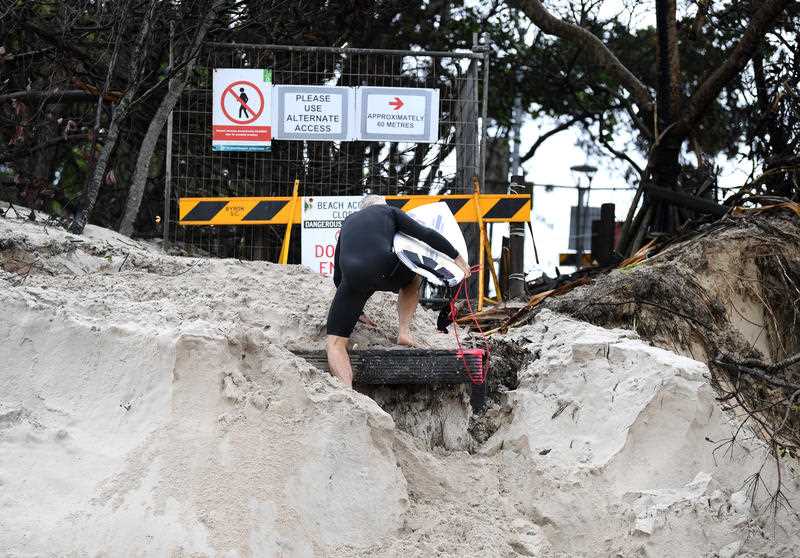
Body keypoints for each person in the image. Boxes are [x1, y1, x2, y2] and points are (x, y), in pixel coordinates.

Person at [326, 194, 470, 387]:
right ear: (382, 205)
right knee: (413, 277)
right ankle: (404, 333)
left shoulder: (348, 222)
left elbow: (337, 276)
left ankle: (347, 390)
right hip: (383, 267)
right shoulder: (390, 212)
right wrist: (456, 256)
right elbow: (425, 234)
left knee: (335, 344)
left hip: (352, 277)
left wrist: (357, 311)